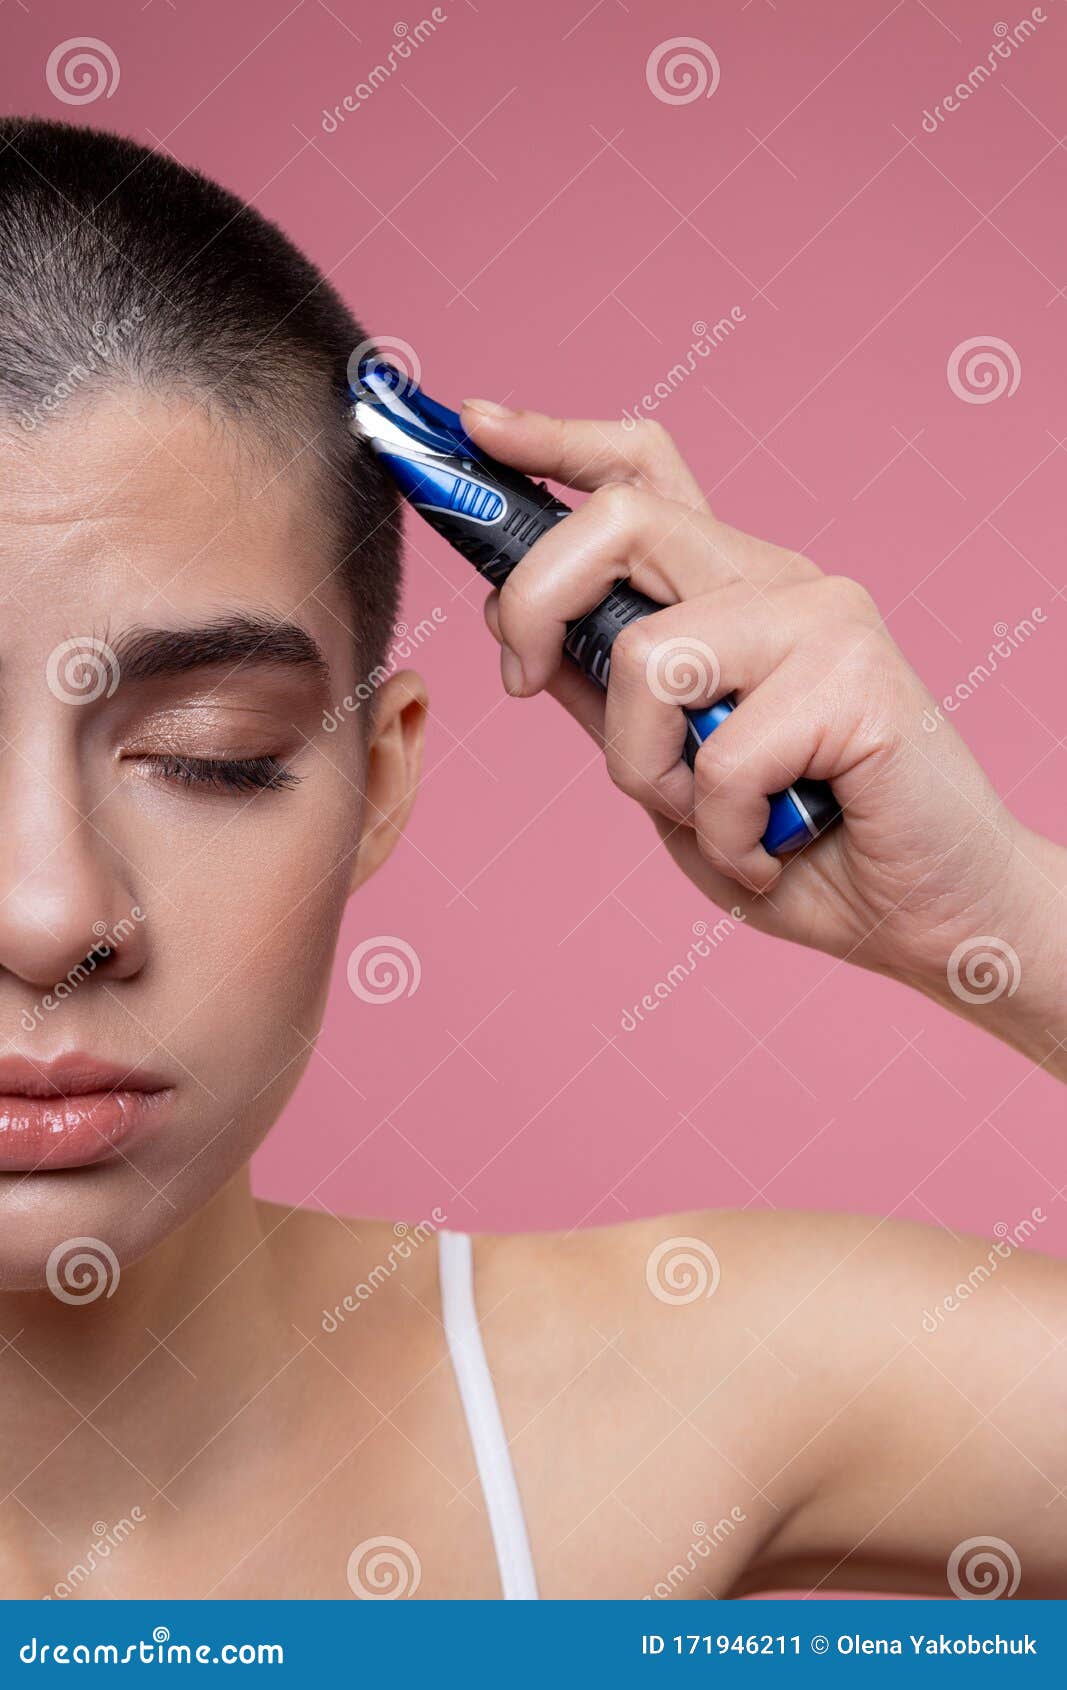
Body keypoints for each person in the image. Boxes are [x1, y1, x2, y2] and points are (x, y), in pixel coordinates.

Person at [0, 119, 1062, 1602]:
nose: (51, 913)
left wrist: (1000, 919)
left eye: (210, 750)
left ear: (375, 788)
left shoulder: (659, 1399)